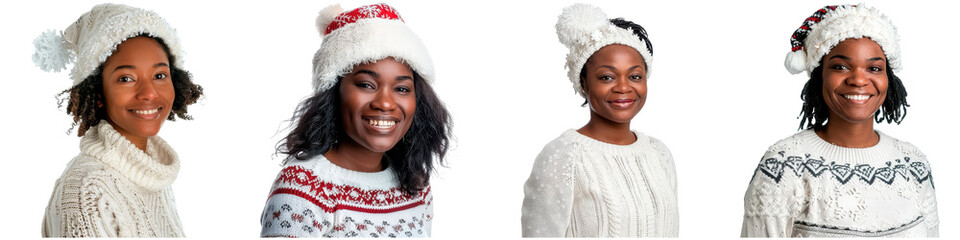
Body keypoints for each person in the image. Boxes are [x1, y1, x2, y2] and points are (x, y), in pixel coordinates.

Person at [741, 4, 938, 237]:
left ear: (889, 79)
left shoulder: (913, 164)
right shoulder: (783, 167)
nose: (858, 79)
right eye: (840, 66)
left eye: (874, 68)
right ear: (819, 75)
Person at [260, 3, 451, 238]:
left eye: (402, 88)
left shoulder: (416, 186)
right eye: (366, 85)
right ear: (333, 92)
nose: (386, 103)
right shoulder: (302, 189)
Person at [37, 3, 203, 237]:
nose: (149, 92)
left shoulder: (153, 174)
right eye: (126, 78)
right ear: (98, 93)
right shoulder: (87, 190)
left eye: (159, 75)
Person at [521, 3, 678, 237]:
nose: (624, 87)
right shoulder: (563, 156)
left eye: (635, 76)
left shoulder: (659, 153)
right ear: (583, 83)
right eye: (607, 77)